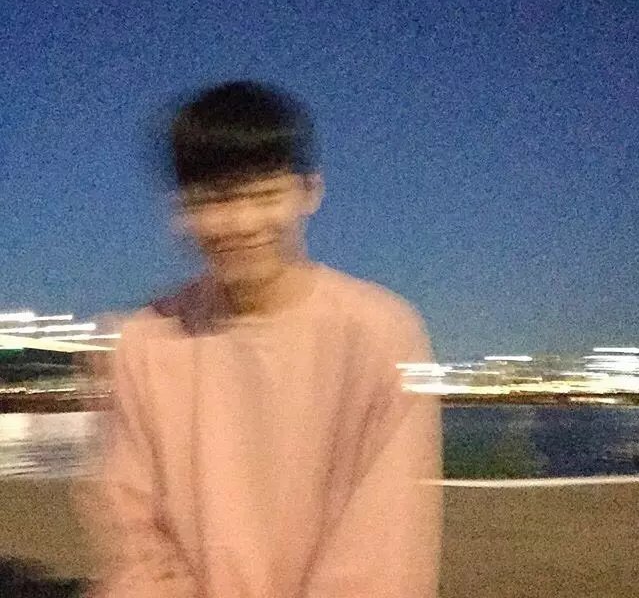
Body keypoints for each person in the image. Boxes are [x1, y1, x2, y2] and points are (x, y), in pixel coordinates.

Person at [85, 80, 442, 597]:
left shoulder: (380, 333)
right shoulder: (146, 342)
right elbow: (135, 536)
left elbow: (383, 549)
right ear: (180, 210)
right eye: (214, 200)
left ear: (309, 191)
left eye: (264, 195)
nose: (241, 223)